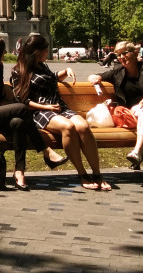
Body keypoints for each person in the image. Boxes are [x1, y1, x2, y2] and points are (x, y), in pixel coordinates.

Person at [0, 35, 67, 190]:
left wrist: (2, 104)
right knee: (22, 108)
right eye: (2, 50)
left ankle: (19, 171)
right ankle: (45, 150)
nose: (5, 52)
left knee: (18, 122)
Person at [12, 33, 108, 191]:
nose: (47, 53)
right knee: (68, 127)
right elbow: (22, 101)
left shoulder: (42, 66)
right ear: (37, 51)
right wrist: (46, 107)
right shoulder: (19, 71)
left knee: (83, 126)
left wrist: (66, 71)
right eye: (45, 50)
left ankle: (97, 174)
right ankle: (82, 174)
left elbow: (50, 78)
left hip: (59, 107)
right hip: (39, 112)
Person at [89, 41, 143, 186]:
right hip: (141, 117)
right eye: (118, 54)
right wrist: (95, 78)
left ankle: (137, 150)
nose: (121, 57)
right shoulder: (118, 71)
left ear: (135, 53)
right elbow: (95, 76)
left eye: (125, 53)